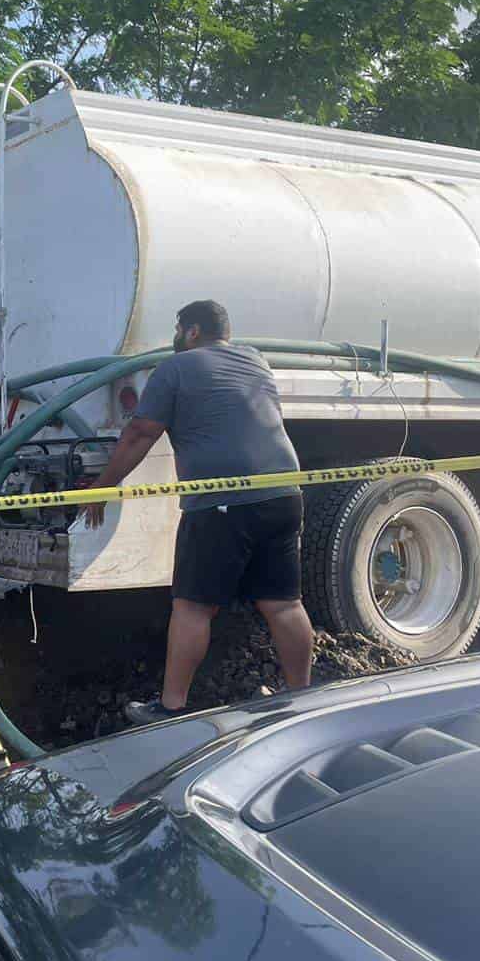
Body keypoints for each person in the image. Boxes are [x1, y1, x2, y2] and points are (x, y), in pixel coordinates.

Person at [85, 299, 314, 723]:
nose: (174, 338)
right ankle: (303, 697)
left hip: (222, 504)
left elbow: (140, 433)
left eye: (178, 330)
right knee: (283, 603)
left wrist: (102, 487)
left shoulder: (175, 368)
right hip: (284, 493)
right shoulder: (256, 362)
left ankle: (170, 707)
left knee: (192, 607)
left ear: (191, 331)